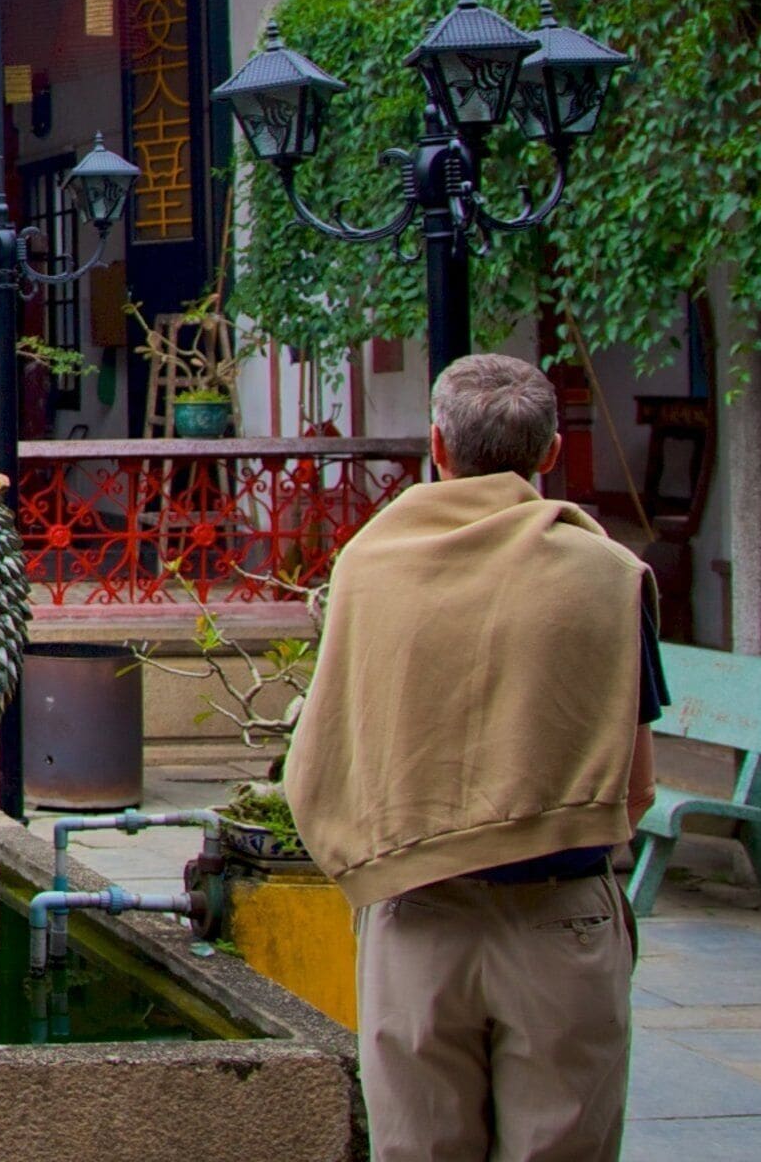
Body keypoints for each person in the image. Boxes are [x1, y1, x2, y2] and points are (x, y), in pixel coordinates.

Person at [285, 353, 667, 1162]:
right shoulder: (610, 578)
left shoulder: (370, 567)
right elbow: (636, 787)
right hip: (562, 920)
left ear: (437, 446)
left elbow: (333, 751)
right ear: (550, 452)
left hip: (416, 915)